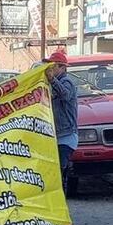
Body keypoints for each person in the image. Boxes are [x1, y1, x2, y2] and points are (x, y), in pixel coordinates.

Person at [43, 51, 78, 186]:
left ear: (62, 67)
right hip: (56, 136)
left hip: (66, 137)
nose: (50, 69)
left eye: (53, 66)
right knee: (54, 173)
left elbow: (66, 95)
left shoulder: (66, 82)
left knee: (59, 173)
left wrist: (52, 79)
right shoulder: (49, 84)